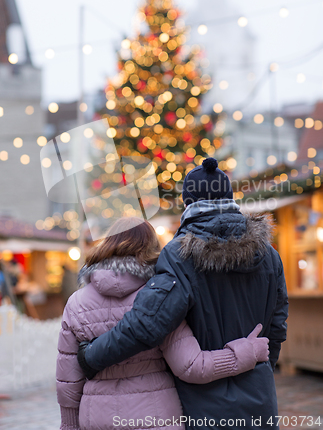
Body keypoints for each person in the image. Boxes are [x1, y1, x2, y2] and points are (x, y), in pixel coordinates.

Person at [78, 157, 289, 429]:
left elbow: (147, 324)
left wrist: (92, 356)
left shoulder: (181, 255)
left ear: (189, 204)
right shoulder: (270, 255)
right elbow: (277, 326)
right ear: (229, 197)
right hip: (260, 401)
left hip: (204, 408)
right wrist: (261, 369)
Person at [57, 217, 269, 430]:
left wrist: (69, 426)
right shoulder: (160, 299)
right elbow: (193, 366)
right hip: (154, 416)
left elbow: (68, 379)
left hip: (96, 417)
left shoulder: (76, 302)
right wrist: (246, 352)